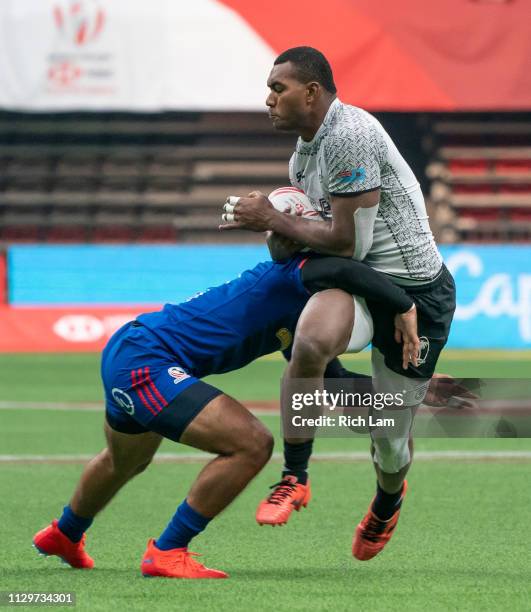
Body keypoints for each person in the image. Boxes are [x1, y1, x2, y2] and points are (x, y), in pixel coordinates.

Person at [32, 252, 418, 579]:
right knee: (251, 444)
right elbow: (343, 270)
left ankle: (64, 533)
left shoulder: (306, 317)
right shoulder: (297, 272)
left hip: (131, 348)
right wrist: (404, 304)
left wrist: (418, 393)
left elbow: (328, 381)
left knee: (126, 460)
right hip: (147, 362)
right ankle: (167, 551)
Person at [219, 46, 456, 560]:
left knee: (390, 439)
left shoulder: (349, 135)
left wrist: (275, 220)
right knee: (307, 343)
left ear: (312, 91)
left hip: (415, 292)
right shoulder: (302, 155)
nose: (268, 100)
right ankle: (294, 476)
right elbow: (313, 240)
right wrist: (272, 228)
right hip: (361, 286)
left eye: (277, 88)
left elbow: (348, 244)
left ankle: (388, 500)